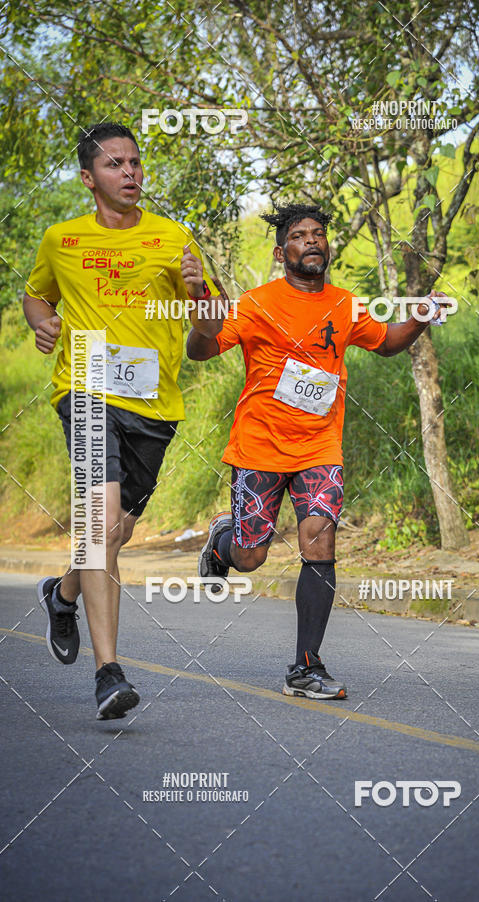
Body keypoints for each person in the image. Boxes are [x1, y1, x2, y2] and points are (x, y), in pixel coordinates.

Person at [187, 202, 448, 699]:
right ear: (280, 252)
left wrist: (419, 317)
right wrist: (203, 316)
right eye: (299, 235)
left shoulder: (345, 304)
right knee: (250, 557)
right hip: (260, 445)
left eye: (318, 233)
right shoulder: (257, 304)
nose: (311, 240)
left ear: (327, 246)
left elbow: (386, 342)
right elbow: (201, 350)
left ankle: (306, 667)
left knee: (320, 544)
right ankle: (221, 541)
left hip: (320, 447)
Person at [23, 122, 220, 719]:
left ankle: (62, 594)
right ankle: (108, 673)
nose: (130, 172)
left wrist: (199, 293)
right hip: (84, 387)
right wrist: (41, 321)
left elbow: (211, 330)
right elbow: (37, 294)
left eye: (135, 162)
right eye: (115, 164)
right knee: (101, 523)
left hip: (153, 404)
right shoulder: (61, 239)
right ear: (89, 178)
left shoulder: (172, 236)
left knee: (114, 533)